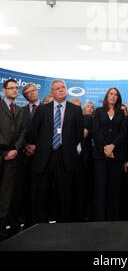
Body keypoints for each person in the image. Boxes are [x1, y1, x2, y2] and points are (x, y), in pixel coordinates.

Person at [27, 79, 84, 223]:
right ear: (52, 92)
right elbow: (34, 132)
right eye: (57, 88)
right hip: (45, 157)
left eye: (63, 87)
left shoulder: (75, 110)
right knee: (42, 193)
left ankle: (63, 225)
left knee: (64, 194)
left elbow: (78, 134)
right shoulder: (42, 109)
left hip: (65, 157)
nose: (61, 90)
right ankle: (40, 224)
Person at [9, 84, 41, 231]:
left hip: (42, 156)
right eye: (28, 93)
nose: (31, 94)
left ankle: (37, 221)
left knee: (39, 191)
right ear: (25, 96)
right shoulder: (21, 111)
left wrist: (37, 147)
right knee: (23, 191)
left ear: (37, 91)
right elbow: (18, 132)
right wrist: (26, 145)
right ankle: (23, 223)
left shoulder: (48, 108)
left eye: (33, 91)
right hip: (24, 156)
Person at [92, 87, 127, 221]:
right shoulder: (99, 111)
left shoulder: (121, 113)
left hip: (116, 155)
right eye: (111, 94)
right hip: (100, 155)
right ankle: (100, 217)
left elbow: (123, 133)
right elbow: (96, 132)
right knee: (100, 186)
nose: (113, 97)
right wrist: (105, 149)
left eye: (116, 95)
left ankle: (114, 217)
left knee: (114, 187)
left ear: (118, 98)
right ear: (107, 96)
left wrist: (113, 147)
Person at [0, 79, 25, 240]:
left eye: (17, 88)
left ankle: (3, 228)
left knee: (7, 195)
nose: (15, 90)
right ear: (4, 90)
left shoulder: (19, 110)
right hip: (1, 153)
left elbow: (23, 131)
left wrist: (16, 148)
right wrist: (4, 153)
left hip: (13, 157)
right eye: (12, 88)